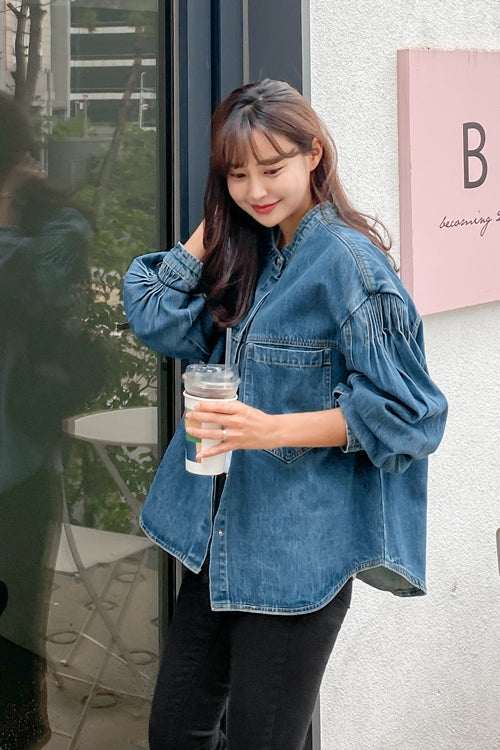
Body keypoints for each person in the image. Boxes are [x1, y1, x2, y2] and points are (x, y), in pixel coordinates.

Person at [123, 79, 448, 750]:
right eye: (238, 174)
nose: (256, 189)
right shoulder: (253, 250)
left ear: (313, 155)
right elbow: (155, 314)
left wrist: (269, 429)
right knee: (175, 732)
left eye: (272, 168)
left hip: (298, 554)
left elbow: (412, 416)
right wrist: (216, 225)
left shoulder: (350, 266)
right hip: (220, 538)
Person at [0, 91, 105, 750]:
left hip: (17, 466)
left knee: (13, 628)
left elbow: (33, 287)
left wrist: (7, 210)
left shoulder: (57, 226)